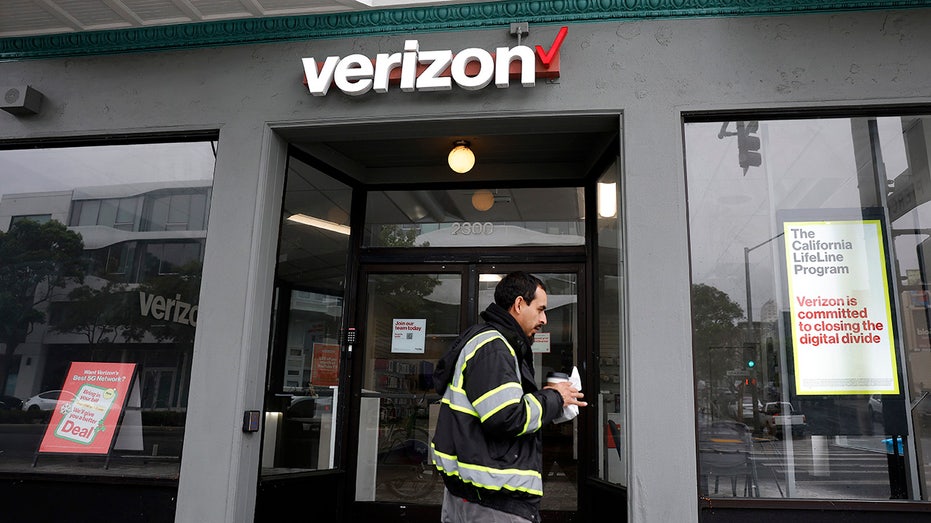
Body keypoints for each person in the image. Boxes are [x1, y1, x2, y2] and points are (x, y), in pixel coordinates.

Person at [431, 271, 586, 523]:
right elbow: (506, 417)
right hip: (492, 502)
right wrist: (555, 397)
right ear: (518, 304)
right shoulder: (494, 347)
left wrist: (549, 399)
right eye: (541, 309)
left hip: (477, 495)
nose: (545, 319)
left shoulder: (495, 344)